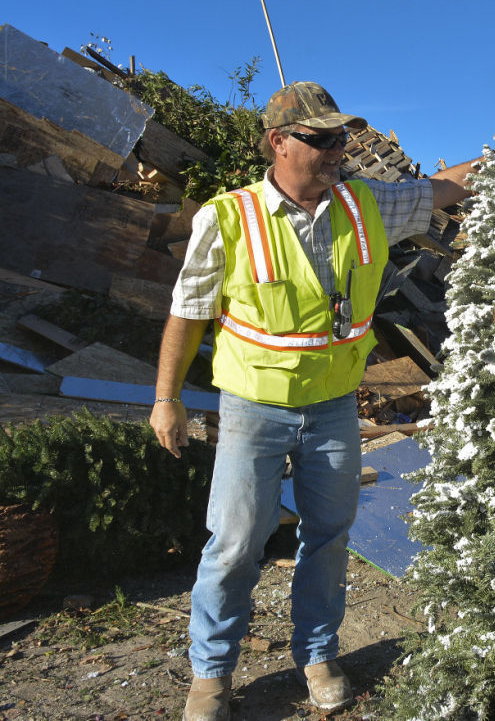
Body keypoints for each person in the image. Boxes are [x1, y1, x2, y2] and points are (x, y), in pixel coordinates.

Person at [150, 81, 478, 721]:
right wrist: (167, 398)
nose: (337, 150)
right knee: (236, 543)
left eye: (341, 138)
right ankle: (210, 674)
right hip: (253, 408)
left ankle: (319, 653)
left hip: (333, 407)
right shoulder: (226, 218)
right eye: (321, 139)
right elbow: (187, 314)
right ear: (278, 143)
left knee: (328, 535)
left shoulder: (365, 204)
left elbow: (444, 187)